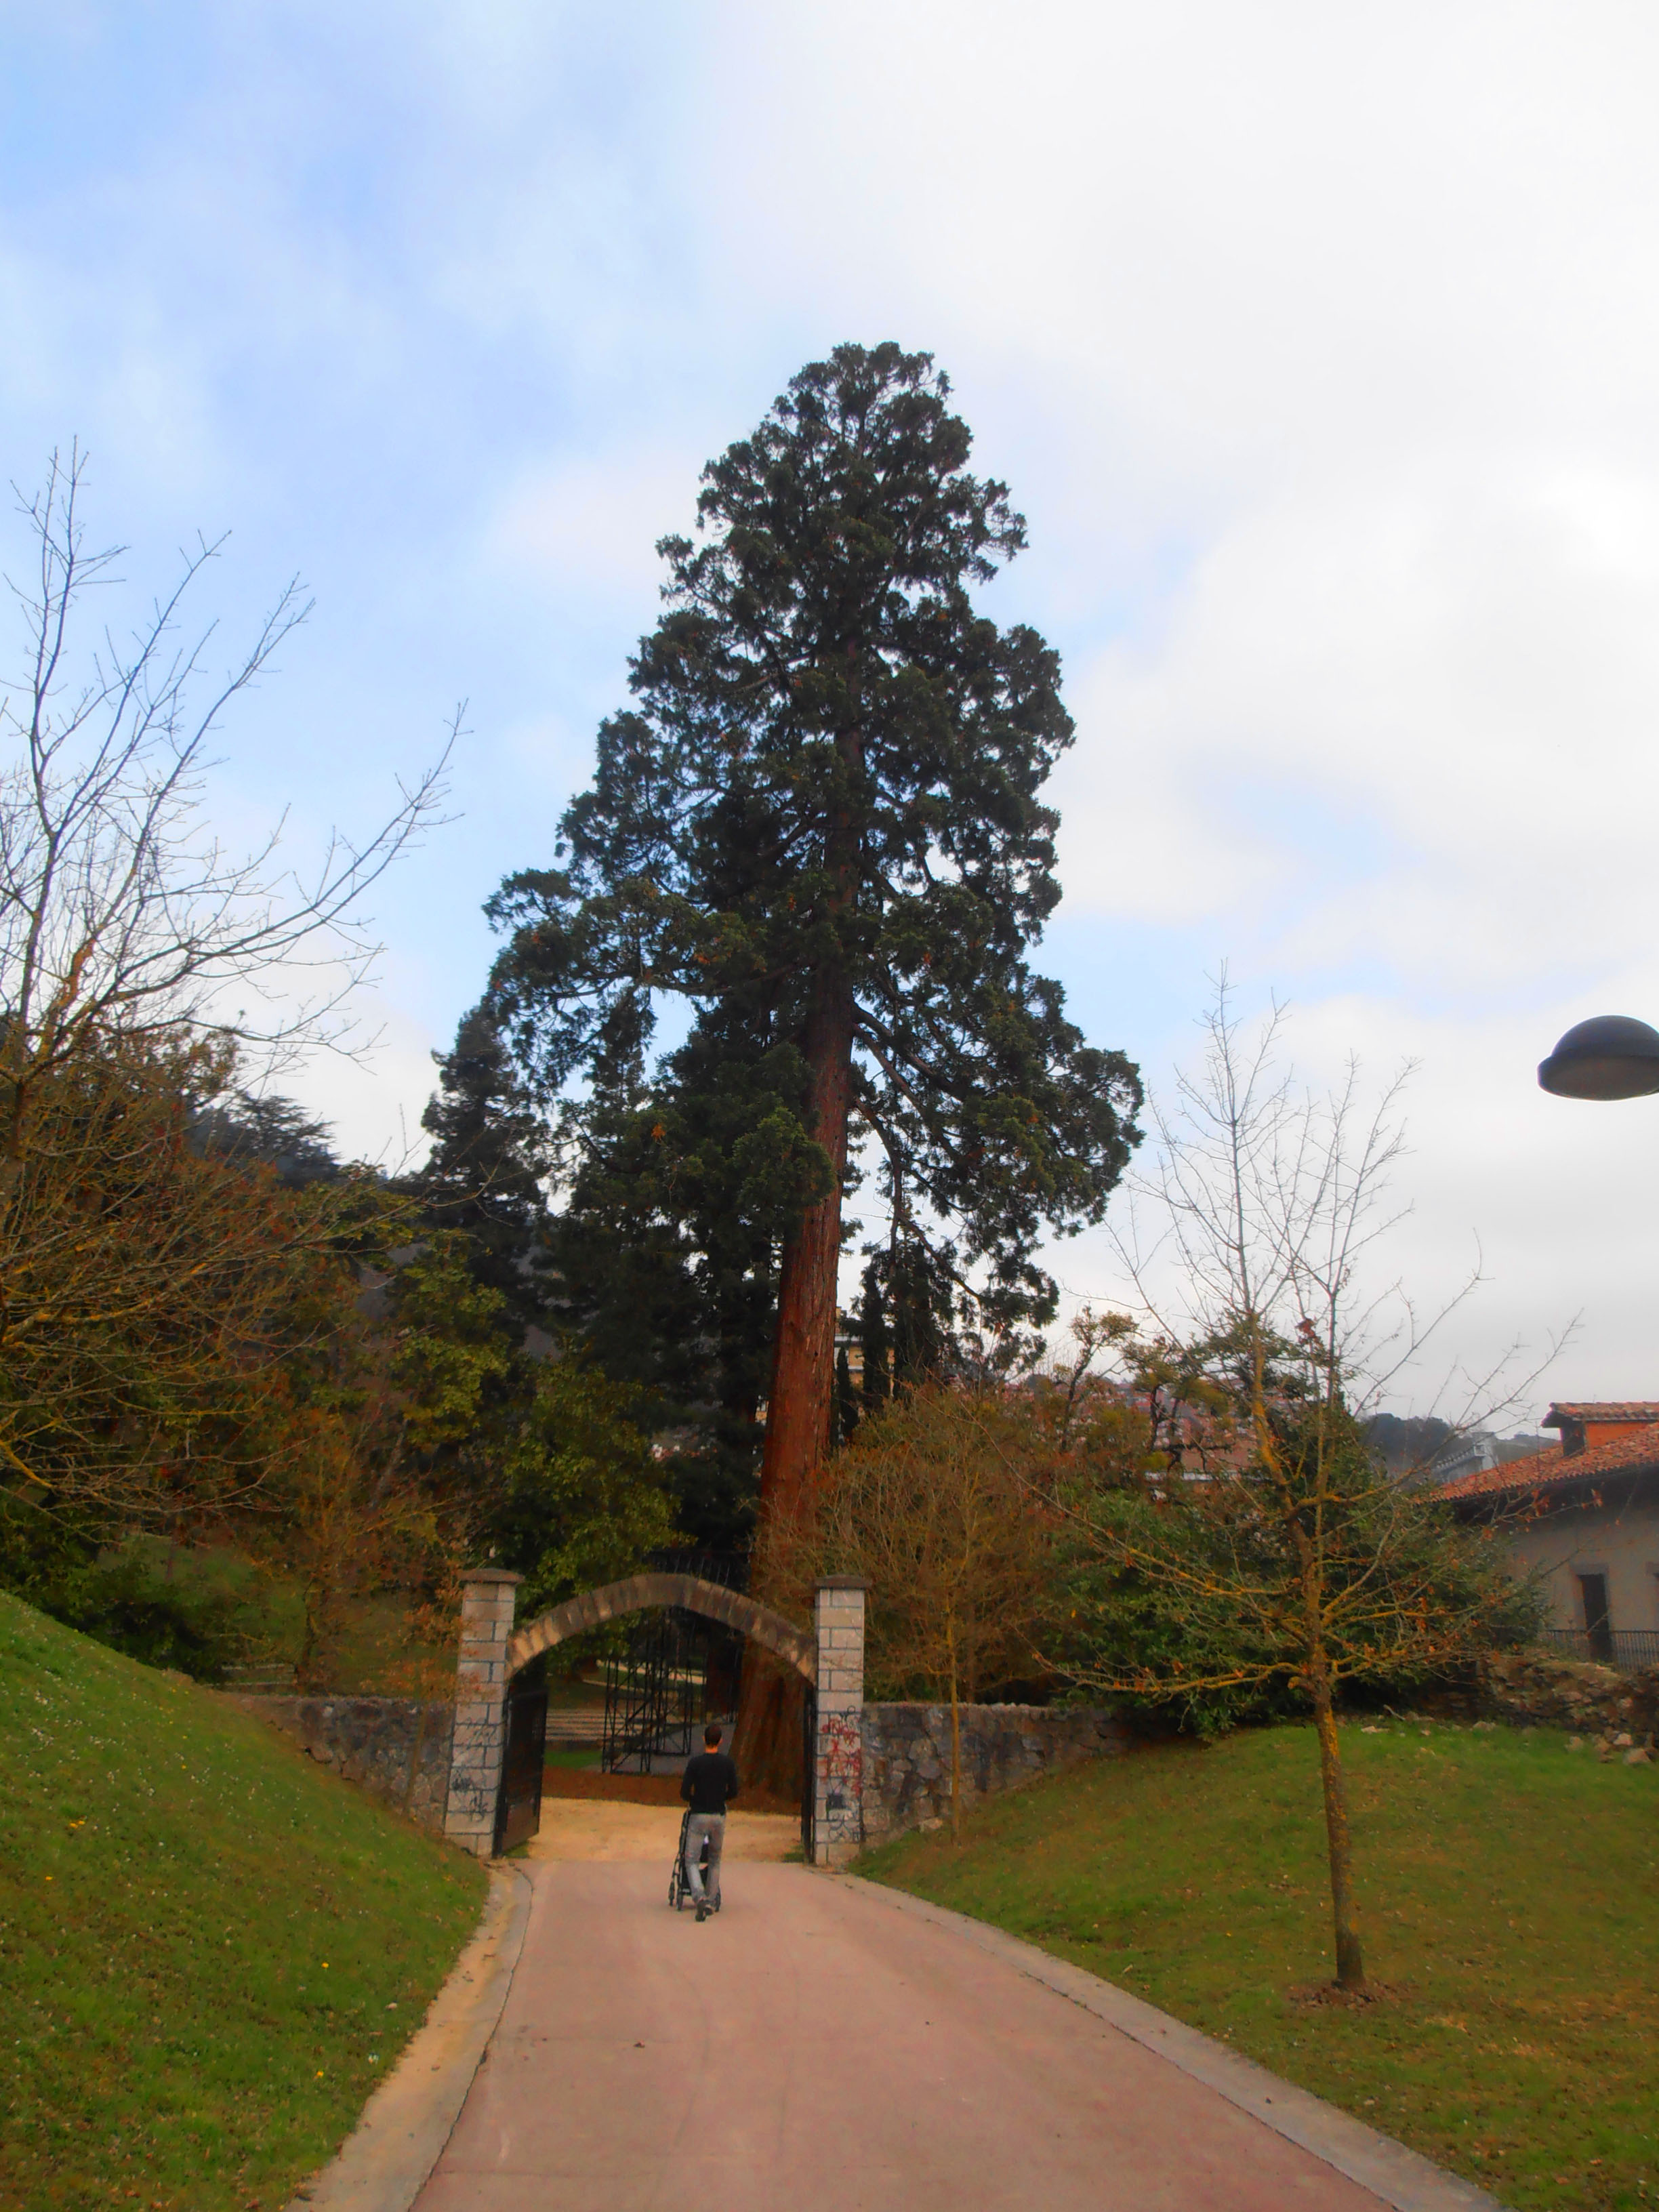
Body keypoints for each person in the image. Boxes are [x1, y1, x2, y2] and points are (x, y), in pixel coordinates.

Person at [679, 1721, 739, 1923]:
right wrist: (722, 1798)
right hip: (718, 1815)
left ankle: (699, 1895)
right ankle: (712, 1900)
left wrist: (694, 1799)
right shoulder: (728, 1764)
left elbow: (684, 1792)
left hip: (698, 1815)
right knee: (714, 1859)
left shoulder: (695, 1764)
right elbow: (734, 1791)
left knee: (692, 1859)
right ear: (721, 1741)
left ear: (704, 1739)